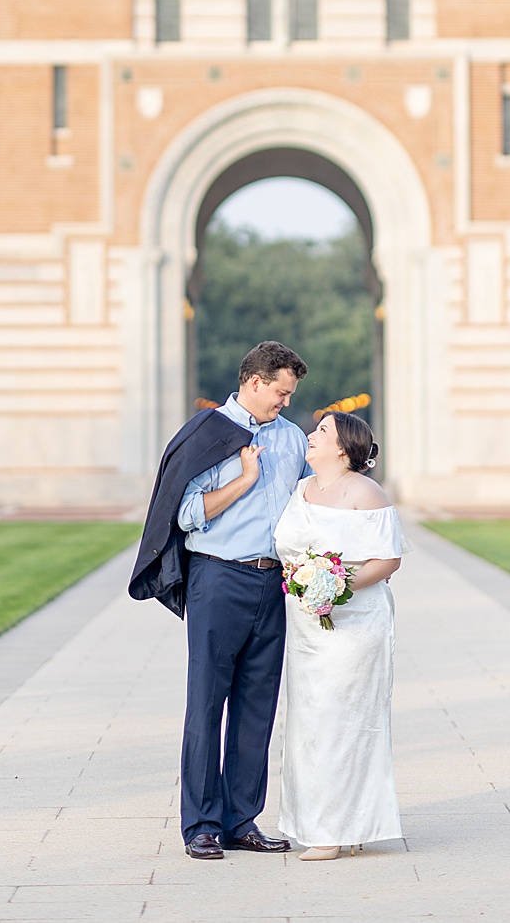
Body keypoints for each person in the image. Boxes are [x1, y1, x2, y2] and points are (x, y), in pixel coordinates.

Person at [170, 341, 312, 860]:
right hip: (219, 580)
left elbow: (306, 507)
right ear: (255, 382)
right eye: (281, 392)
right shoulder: (209, 434)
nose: (286, 402)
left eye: (290, 394)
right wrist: (245, 480)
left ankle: (241, 819)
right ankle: (201, 824)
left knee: (257, 706)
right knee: (207, 702)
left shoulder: (293, 438)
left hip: (273, 585)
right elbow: (186, 515)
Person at [273, 410, 408, 860]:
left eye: (322, 431)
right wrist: (308, 586)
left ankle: (333, 831)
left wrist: (337, 586)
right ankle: (320, 822)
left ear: (342, 448)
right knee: (307, 726)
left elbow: (388, 560)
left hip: (354, 626)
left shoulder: (366, 493)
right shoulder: (300, 490)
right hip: (306, 626)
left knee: (342, 721)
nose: (311, 436)